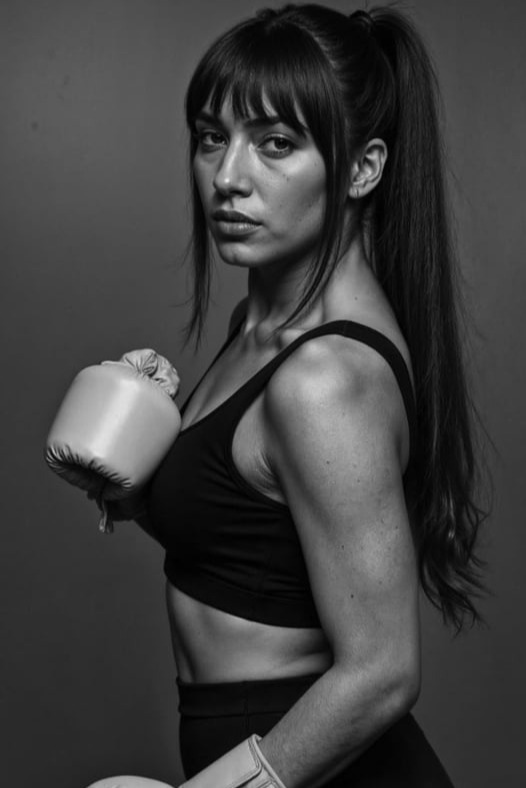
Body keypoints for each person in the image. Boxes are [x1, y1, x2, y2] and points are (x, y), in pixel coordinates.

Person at [89, 4, 486, 787]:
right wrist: (131, 471)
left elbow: (382, 674)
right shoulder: (259, 326)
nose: (228, 178)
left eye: (276, 143)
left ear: (362, 169)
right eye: (213, 137)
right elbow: (249, 553)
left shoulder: (325, 377)